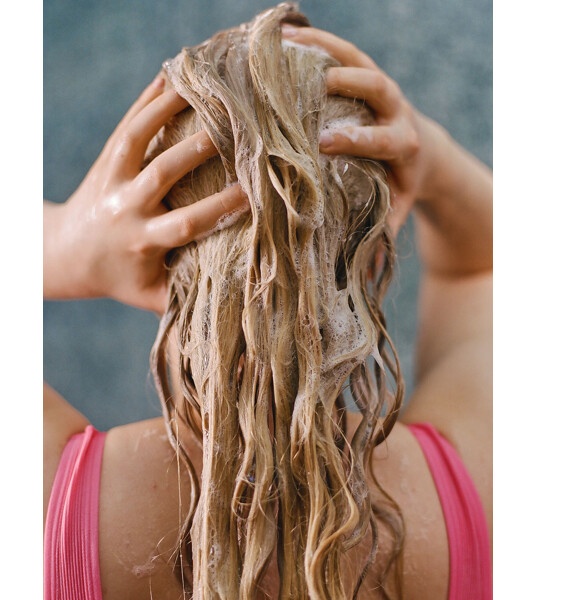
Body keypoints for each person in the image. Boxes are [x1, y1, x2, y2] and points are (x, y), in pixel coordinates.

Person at [43, 4, 492, 599]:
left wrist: (66, 242)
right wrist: (429, 154)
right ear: (374, 259)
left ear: (155, 262)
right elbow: (487, 263)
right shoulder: (477, 485)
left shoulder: (46, 503)